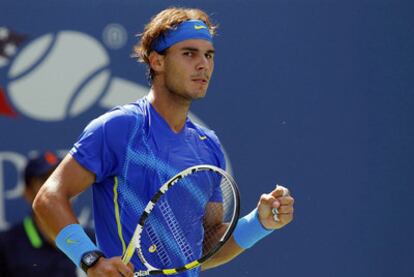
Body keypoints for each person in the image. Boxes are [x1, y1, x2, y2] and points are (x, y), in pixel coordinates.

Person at [33, 7, 295, 277]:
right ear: (157, 61)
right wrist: (91, 260)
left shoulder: (208, 146)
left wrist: (258, 223)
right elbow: (49, 197)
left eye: (209, 55)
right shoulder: (118, 128)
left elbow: (205, 247)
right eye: (189, 53)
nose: (203, 64)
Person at [0, 151, 87, 277]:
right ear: (27, 193)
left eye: (61, 180)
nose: (55, 189)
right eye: (44, 181)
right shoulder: (6, 245)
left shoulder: (92, 240)